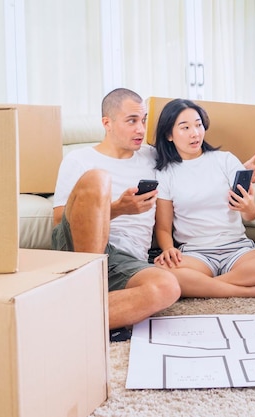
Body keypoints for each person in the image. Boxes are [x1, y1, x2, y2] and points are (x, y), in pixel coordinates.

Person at [51, 88, 181, 342]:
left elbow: (192, 162)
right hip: (78, 252)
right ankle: (89, 289)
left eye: (143, 120)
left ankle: (64, 314)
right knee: (100, 178)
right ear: (107, 123)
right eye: (131, 121)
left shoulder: (152, 156)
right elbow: (59, 220)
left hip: (126, 260)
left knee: (168, 287)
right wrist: (120, 209)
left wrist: (237, 170)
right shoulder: (79, 159)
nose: (141, 130)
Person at [152, 98, 255, 299]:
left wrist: (248, 207)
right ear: (169, 134)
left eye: (198, 125)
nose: (195, 133)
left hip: (237, 250)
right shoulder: (166, 173)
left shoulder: (225, 160)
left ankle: (205, 287)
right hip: (196, 254)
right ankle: (250, 290)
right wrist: (168, 249)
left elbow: (252, 214)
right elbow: (163, 227)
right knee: (160, 270)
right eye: (185, 128)